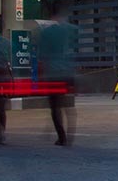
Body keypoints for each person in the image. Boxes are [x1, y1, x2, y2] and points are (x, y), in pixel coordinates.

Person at [32, 19, 81, 147]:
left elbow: (41, 58)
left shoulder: (45, 34)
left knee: (55, 107)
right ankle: (70, 135)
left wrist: (42, 78)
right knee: (69, 106)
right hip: (68, 74)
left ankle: (62, 137)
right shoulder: (68, 31)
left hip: (53, 74)